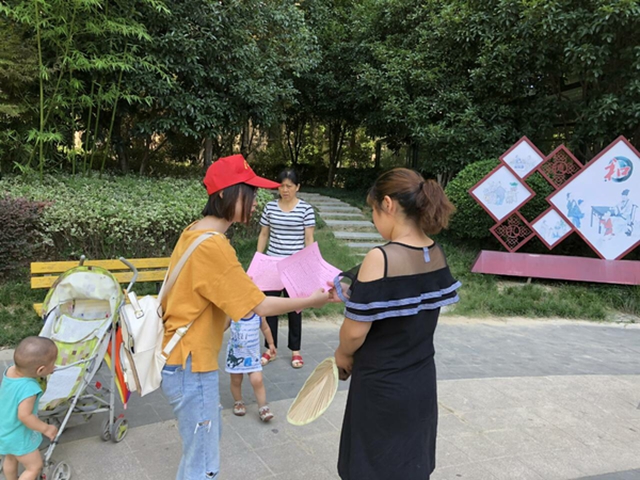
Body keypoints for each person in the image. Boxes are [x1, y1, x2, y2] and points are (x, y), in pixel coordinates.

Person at [160, 154, 329, 480]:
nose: (256, 201)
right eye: (249, 192)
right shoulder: (214, 247)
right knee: (203, 463)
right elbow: (259, 306)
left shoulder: (195, 232)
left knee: (200, 451)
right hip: (191, 365)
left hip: (181, 362)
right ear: (225, 194)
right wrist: (312, 300)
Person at [330, 168, 461, 480]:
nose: (374, 220)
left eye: (373, 211)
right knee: (409, 465)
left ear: (387, 204)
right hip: (420, 380)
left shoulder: (382, 257)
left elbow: (354, 332)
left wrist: (342, 354)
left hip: (382, 384)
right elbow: (404, 293)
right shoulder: (434, 252)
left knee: (372, 466)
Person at [257, 168, 316, 369]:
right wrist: (259, 259)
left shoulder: (305, 209)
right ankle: (270, 348)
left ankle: (295, 350)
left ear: (297, 187)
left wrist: (309, 264)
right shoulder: (270, 207)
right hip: (272, 264)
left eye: (289, 186)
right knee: (270, 308)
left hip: (295, 266)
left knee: (295, 309)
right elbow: (263, 234)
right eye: (281, 186)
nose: (285, 190)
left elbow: (309, 239)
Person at [0, 336, 59, 480]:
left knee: (10, 458)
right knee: (34, 467)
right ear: (40, 370)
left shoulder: (10, 371)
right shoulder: (30, 388)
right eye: (53, 364)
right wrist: (46, 428)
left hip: (4, 429)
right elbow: (24, 416)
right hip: (19, 436)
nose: (54, 367)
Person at [224, 313, 276, 422]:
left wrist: (271, 343)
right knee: (236, 381)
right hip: (235, 357)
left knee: (257, 381)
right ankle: (238, 402)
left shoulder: (259, 315)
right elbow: (220, 328)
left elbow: (265, 328)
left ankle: (263, 407)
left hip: (252, 357)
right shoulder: (232, 314)